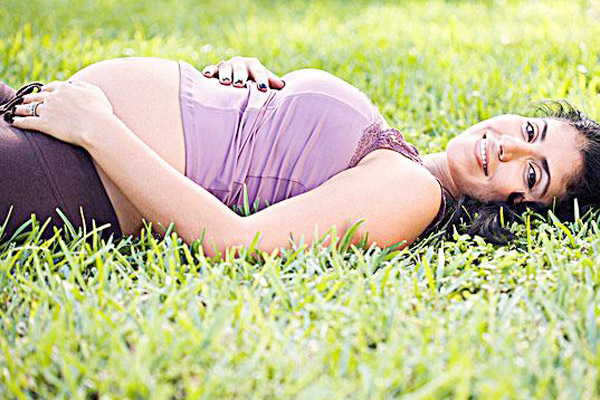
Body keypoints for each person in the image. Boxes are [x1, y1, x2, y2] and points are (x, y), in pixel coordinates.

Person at [3, 56, 600, 255]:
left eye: (532, 171)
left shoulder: (413, 192)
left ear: (519, 204)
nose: (510, 146)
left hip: (73, 173)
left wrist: (99, 128)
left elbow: (235, 242)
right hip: (58, 123)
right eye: (529, 129)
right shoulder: (404, 159)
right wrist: (238, 83)